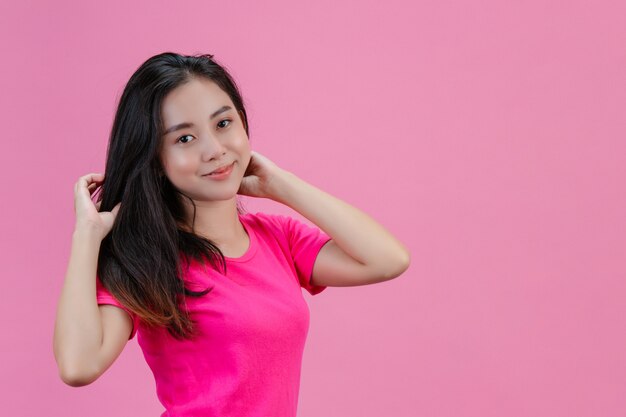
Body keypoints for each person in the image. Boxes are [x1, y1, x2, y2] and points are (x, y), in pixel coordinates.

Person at [53, 52, 411, 417]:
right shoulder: (147, 260)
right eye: (185, 138)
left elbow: (387, 260)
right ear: (155, 160)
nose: (214, 150)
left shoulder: (279, 239)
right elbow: (79, 365)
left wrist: (280, 185)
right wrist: (87, 235)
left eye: (223, 124)